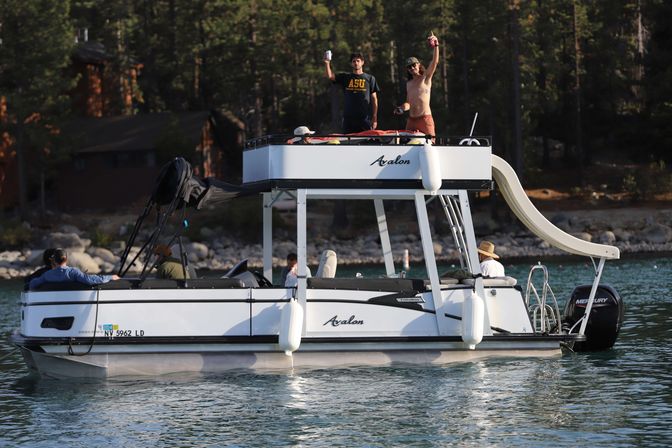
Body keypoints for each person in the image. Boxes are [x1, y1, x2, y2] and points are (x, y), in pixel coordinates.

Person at [394, 32, 440, 137]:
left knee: (430, 145)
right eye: (409, 67)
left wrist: (436, 45)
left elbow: (435, 62)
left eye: (413, 65)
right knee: (405, 144)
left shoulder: (426, 78)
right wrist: (401, 108)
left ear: (418, 65)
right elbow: (409, 103)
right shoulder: (408, 84)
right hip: (411, 121)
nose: (412, 68)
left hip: (425, 119)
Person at [324, 51, 381, 133]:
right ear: (351, 64)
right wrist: (327, 63)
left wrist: (374, 117)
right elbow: (330, 76)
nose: (356, 63)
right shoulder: (346, 77)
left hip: (364, 118)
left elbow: (374, 98)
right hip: (348, 119)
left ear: (362, 62)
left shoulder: (370, 78)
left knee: (367, 143)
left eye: (358, 61)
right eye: (354, 61)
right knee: (348, 144)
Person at [28, 248, 120, 290]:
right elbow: (90, 280)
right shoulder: (73, 272)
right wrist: (110, 277)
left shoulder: (47, 275)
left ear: (54, 261)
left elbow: (32, 284)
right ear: (66, 259)